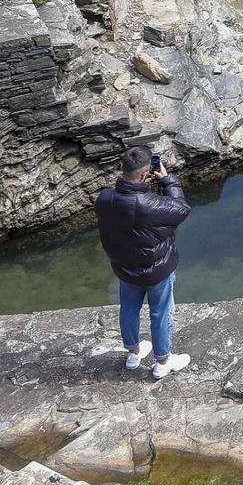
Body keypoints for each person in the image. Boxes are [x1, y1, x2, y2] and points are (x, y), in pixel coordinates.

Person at [95, 145, 191, 379]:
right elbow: (181, 209)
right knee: (160, 312)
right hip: (157, 270)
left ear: (122, 168)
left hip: (125, 268)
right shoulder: (150, 204)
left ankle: (133, 353)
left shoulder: (104, 198)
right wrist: (168, 181)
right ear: (144, 174)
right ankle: (162, 362)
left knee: (128, 308)